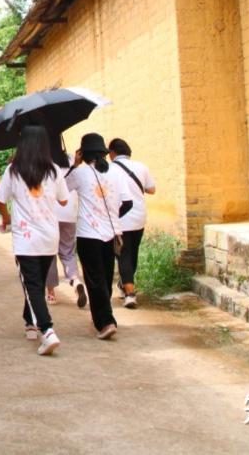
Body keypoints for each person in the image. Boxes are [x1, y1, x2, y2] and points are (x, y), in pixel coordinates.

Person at [0, 126, 69, 355]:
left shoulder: (13, 171)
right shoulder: (54, 171)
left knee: (33, 285)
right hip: (49, 236)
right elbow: (64, 201)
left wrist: (6, 217)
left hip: (26, 239)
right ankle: (29, 320)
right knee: (35, 283)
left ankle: (47, 330)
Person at [66, 132, 132, 340]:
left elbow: (61, 188)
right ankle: (106, 316)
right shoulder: (116, 172)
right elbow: (128, 202)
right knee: (104, 277)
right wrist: (111, 215)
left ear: (83, 154)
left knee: (94, 280)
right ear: (103, 152)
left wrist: (74, 165)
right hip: (111, 234)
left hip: (88, 234)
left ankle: (105, 322)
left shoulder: (80, 173)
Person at [107, 138, 156, 309]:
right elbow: (151, 189)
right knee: (132, 252)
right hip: (139, 216)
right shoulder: (142, 167)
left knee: (123, 254)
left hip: (121, 217)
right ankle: (125, 284)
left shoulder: (110, 169)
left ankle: (129, 293)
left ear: (112, 153)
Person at [45, 150, 86, 308]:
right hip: (70, 214)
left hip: (51, 214)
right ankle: (75, 280)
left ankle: (50, 293)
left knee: (50, 253)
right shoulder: (73, 164)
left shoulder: (46, 168)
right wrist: (75, 162)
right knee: (68, 252)